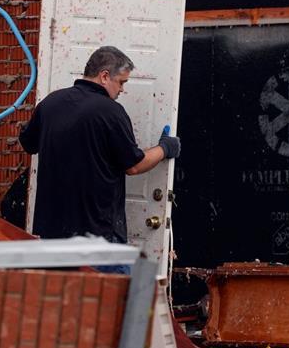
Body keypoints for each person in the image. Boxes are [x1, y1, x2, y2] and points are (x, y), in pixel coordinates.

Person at [19, 45, 181, 271]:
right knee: (115, 305)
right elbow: (134, 165)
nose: (122, 90)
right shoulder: (110, 111)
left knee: (63, 305)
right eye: (122, 82)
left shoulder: (50, 104)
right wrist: (165, 147)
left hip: (52, 238)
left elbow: (28, 143)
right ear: (104, 76)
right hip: (98, 239)